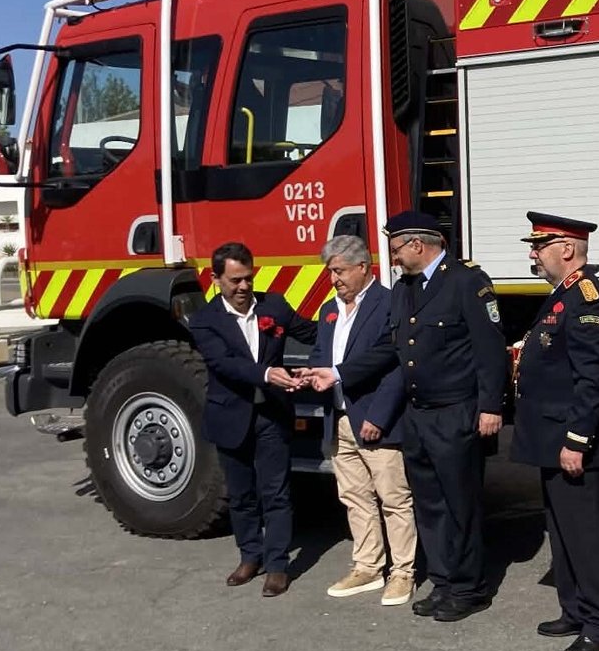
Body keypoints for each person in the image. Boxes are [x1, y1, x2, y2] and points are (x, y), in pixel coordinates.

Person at [314, 210, 507, 622]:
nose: (394, 258)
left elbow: (490, 348)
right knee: (430, 505)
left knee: (461, 504)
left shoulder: (466, 281)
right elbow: (392, 348)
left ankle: (470, 588)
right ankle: (443, 580)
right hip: (418, 414)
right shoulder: (405, 289)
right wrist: (340, 372)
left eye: (398, 248)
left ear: (419, 244)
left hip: (456, 411)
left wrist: (491, 405)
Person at [510, 212, 599, 651]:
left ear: (566, 249)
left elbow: (593, 379)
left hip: (575, 443)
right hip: (551, 438)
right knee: (562, 533)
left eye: (538, 247)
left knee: (588, 536)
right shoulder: (562, 296)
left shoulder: (587, 299)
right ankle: (574, 609)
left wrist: (577, 440)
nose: (532, 255)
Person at [188, 241, 318, 597]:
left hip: (271, 415)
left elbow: (311, 333)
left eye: (248, 278)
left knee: (275, 492)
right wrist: (266, 374)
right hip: (230, 417)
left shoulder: (274, 306)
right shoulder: (204, 321)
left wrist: (349, 329)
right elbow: (223, 364)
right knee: (242, 495)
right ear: (216, 280)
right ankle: (250, 556)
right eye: (234, 281)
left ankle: (276, 566)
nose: (243, 287)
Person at [298, 234, 416, 607]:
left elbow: (395, 365)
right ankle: (367, 567)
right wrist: (312, 376)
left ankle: (403, 573)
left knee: (393, 499)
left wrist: (379, 416)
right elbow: (323, 355)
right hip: (340, 418)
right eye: (331, 272)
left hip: (373, 419)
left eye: (340, 271)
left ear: (363, 267)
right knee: (354, 498)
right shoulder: (330, 309)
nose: (334, 279)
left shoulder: (388, 303)